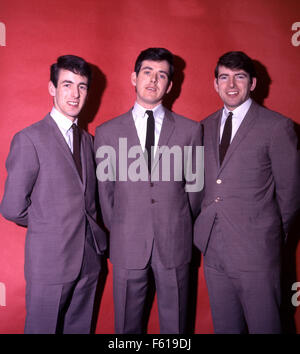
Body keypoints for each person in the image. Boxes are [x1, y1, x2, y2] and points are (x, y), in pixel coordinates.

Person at [94, 47, 202, 333]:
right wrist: (124, 225)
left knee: (176, 326)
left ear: (170, 84)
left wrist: (175, 221)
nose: (153, 80)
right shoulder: (107, 132)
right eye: (147, 72)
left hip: (175, 242)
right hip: (128, 243)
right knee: (126, 326)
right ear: (134, 77)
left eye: (161, 75)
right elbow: (106, 193)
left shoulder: (191, 131)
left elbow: (195, 190)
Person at [194, 51, 300, 333]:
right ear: (215, 84)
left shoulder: (277, 127)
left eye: (239, 77)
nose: (231, 85)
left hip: (257, 254)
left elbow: (291, 196)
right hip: (214, 252)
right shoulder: (202, 128)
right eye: (224, 77)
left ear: (252, 83)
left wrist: (267, 237)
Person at [0, 55, 107, 333]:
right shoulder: (30, 139)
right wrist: (51, 224)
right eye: (67, 84)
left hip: (89, 260)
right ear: (52, 88)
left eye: (82, 87)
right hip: (50, 262)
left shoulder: (89, 142)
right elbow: (12, 208)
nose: (75, 94)